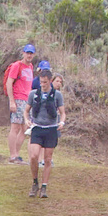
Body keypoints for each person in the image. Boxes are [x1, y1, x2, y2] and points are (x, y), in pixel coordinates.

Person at [25, 68, 65, 198]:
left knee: (47, 159)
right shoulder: (33, 94)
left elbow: (62, 113)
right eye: (41, 82)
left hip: (51, 129)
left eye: (45, 82)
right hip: (37, 128)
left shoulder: (57, 95)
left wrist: (62, 122)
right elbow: (26, 110)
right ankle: (35, 182)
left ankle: (44, 186)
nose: (42, 85)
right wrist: (26, 120)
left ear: (50, 81)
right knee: (33, 156)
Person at [4, 45, 36, 164]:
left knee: (25, 128)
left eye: (31, 53)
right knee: (15, 127)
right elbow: (9, 83)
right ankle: (12, 156)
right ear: (23, 53)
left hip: (27, 101)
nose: (29, 55)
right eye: (27, 53)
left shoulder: (30, 66)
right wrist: (12, 101)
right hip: (18, 99)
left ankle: (16, 154)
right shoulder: (17, 66)